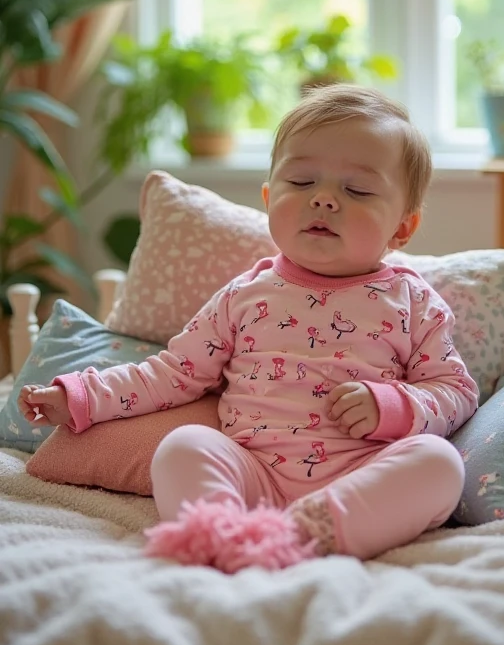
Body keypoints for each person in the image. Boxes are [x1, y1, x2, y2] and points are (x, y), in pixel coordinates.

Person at [18, 85, 478, 573]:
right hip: (252, 473)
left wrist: (394, 406)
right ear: (268, 198)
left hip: (360, 474)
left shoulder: (413, 301)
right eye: (301, 182)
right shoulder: (245, 295)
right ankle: (224, 533)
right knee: (184, 446)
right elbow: (172, 374)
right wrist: (83, 396)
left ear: (402, 229)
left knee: (438, 463)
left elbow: (455, 391)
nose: (323, 200)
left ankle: (311, 531)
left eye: (357, 190)